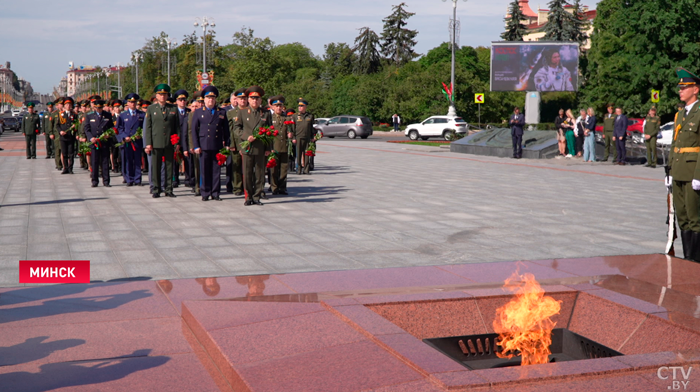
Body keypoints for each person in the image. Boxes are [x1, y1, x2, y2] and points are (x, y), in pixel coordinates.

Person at [667, 67, 700, 262]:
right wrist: (669, 171)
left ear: (695, 89)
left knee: (695, 219)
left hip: (692, 172)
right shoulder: (680, 114)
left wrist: (698, 175)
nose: (680, 91)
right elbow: (675, 144)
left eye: (684, 87)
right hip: (679, 171)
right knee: (682, 217)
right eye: (680, 88)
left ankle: (696, 261)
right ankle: (687, 258)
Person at [234, 85, 271, 206]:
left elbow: (269, 131)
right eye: (252, 98)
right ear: (248, 100)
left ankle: (257, 196)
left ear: (260, 101)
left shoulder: (265, 113)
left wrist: (268, 148)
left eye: (257, 98)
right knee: (247, 173)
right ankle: (248, 197)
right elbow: (236, 128)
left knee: (260, 174)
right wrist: (245, 136)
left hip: (260, 147)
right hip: (248, 147)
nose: (255, 101)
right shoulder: (243, 112)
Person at [191, 85, 230, 201]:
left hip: (216, 144)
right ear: (204, 99)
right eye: (208, 98)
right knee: (205, 170)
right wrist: (196, 145)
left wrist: (227, 144)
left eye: (213, 98)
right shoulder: (198, 112)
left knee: (216, 170)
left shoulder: (221, 112)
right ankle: (205, 192)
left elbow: (226, 130)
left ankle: (215, 192)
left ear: (215, 99)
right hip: (203, 145)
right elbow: (194, 130)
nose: (211, 100)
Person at [143, 84, 179, 198]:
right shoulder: (151, 108)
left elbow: (177, 127)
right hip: (156, 142)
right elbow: (147, 127)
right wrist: (148, 143)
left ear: (168, 95)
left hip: (169, 142)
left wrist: (177, 142)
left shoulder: (173, 108)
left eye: (165, 94)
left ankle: (168, 189)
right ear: (156, 96)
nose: (162, 96)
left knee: (169, 167)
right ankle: (156, 189)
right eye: (160, 94)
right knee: (155, 167)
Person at [83, 99, 115, 187]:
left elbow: (112, 127)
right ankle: (94, 181)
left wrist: (109, 134)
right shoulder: (89, 116)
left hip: (104, 142)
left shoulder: (107, 115)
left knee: (105, 161)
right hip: (94, 142)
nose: (99, 110)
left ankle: (106, 181)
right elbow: (87, 128)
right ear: (94, 107)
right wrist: (90, 138)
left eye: (100, 108)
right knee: (95, 162)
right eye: (97, 108)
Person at [116, 93, 144, 186]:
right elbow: (119, 128)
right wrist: (124, 137)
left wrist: (141, 135)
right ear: (127, 103)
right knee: (127, 160)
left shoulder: (141, 114)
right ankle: (129, 179)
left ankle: (137, 179)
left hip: (137, 141)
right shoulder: (123, 115)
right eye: (131, 102)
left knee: (137, 160)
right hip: (127, 141)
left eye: (134, 102)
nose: (133, 104)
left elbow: (145, 127)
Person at [269, 95, 294, 195]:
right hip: (274, 147)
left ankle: (282, 187)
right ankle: (274, 187)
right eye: (276, 106)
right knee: (273, 169)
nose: (279, 108)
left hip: (284, 146)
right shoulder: (270, 118)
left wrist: (290, 134)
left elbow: (290, 131)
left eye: (280, 106)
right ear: (273, 107)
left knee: (284, 169)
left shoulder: (286, 118)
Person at [224, 89, 244, 195]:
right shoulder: (231, 113)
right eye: (237, 99)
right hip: (235, 143)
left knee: (246, 167)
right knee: (236, 166)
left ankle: (246, 186)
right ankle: (237, 187)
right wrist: (231, 144)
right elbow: (230, 130)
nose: (239, 101)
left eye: (242, 99)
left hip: (246, 143)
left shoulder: (248, 111)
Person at [55, 97, 78, 174]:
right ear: (64, 106)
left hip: (71, 137)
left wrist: (75, 126)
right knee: (64, 153)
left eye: (70, 104)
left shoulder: (74, 114)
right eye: (67, 104)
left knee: (71, 153)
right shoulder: (60, 114)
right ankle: (65, 168)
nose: (68, 106)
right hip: (63, 137)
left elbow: (77, 124)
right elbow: (57, 125)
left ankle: (70, 168)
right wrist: (60, 131)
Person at [293, 98, 315, 174]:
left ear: (305, 107)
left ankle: (306, 169)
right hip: (298, 137)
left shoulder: (310, 116)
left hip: (307, 137)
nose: (300, 107)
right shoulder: (295, 116)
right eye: (299, 106)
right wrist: (293, 138)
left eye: (302, 106)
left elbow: (311, 127)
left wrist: (312, 137)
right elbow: (293, 128)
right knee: (298, 154)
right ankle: (298, 169)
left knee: (307, 154)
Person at [49, 98, 64, 171]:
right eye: (60, 104)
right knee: (58, 149)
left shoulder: (66, 112)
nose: (62, 105)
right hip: (57, 134)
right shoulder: (54, 113)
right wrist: (51, 133)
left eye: (62, 104)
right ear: (57, 106)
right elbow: (50, 124)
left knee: (64, 149)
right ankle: (58, 164)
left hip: (64, 133)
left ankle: (65, 164)